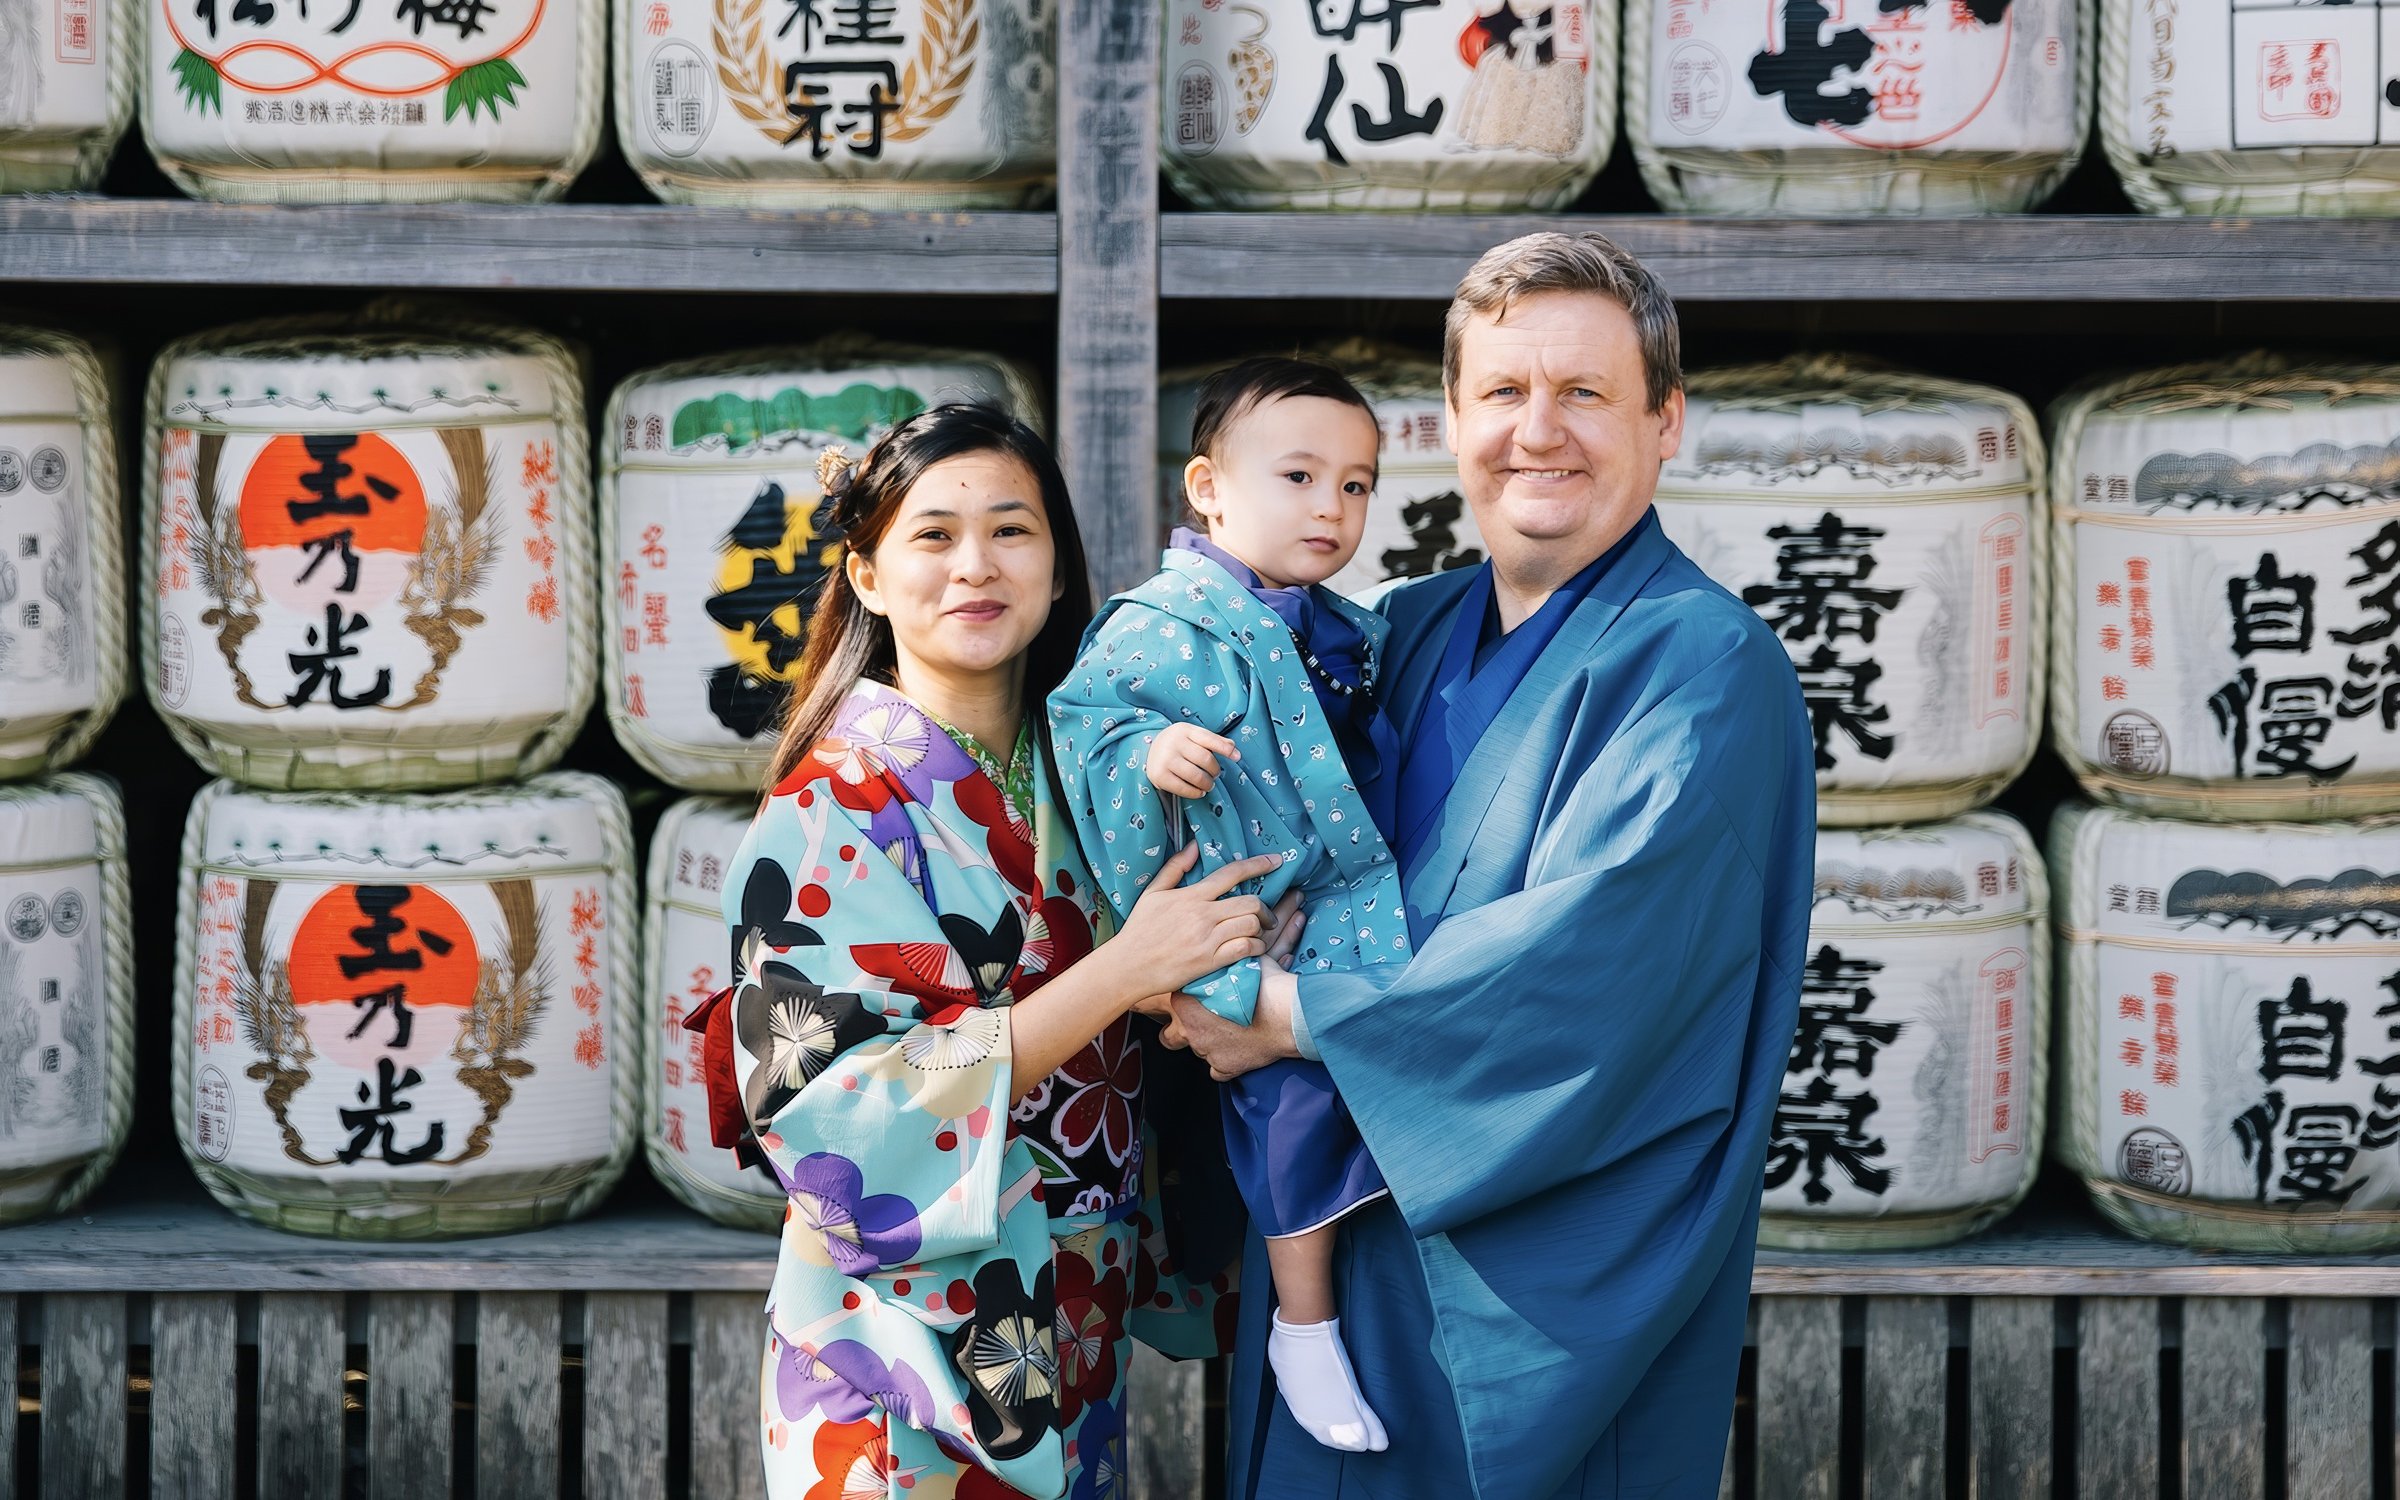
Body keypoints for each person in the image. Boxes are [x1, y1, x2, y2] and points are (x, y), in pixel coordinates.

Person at [1157, 232, 1816, 1499]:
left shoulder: (1704, 668)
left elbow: (1588, 980)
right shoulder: (1393, 627)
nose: (1540, 431)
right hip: (1321, 1238)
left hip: (1520, 1286)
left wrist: (1277, 1014)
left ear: (1665, 419)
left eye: (1586, 393)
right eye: (1505, 393)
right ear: (1453, 418)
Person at [695, 404, 1285, 1500]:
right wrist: (1125, 970)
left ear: (1061, 571)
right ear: (866, 575)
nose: (977, 565)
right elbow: (834, 1109)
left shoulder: (1097, 775)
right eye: (933, 535)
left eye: (1013, 531)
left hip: (1073, 1292)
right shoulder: (830, 808)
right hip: (902, 1327)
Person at [1049, 358, 1407, 1455]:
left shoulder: (1341, 622)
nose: (1331, 508)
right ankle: (1306, 1320)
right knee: (1288, 1096)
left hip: (1336, 895)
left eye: (1355, 485)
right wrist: (1146, 754)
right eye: (1298, 475)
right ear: (1207, 487)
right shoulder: (1156, 622)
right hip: (1219, 909)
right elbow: (1081, 725)